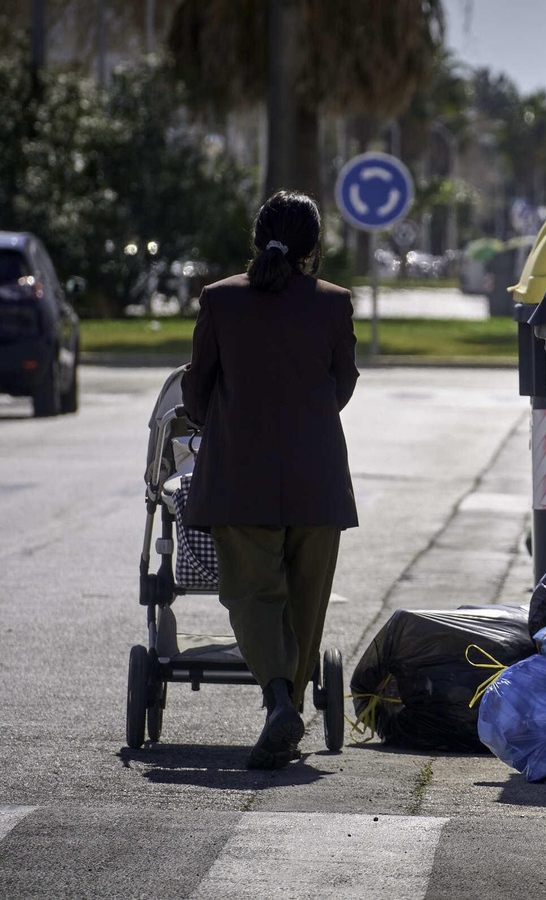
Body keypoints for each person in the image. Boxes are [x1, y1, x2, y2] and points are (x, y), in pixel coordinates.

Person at [181, 191, 359, 769]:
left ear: (257, 239)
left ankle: (279, 700)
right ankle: (289, 708)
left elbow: (197, 389)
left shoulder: (220, 301)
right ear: (314, 248)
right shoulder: (333, 305)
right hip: (317, 479)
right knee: (306, 605)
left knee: (254, 594)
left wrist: (226, 423)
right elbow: (343, 386)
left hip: (240, 476)